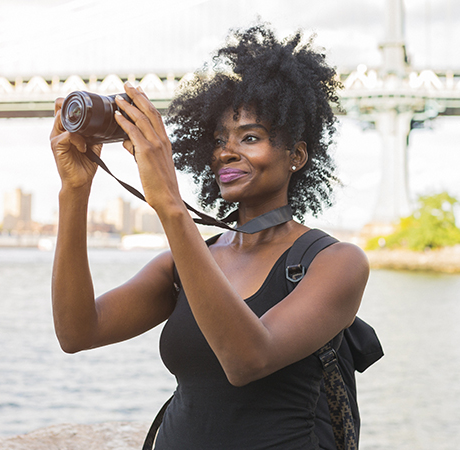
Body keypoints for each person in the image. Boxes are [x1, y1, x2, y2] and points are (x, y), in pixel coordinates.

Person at [49, 23, 370, 449]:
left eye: (249, 137)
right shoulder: (185, 260)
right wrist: (75, 191)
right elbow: (77, 332)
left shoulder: (335, 262)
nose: (225, 152)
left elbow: (247, 360)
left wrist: (170, 206)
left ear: (296, 155)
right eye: (218, 140)